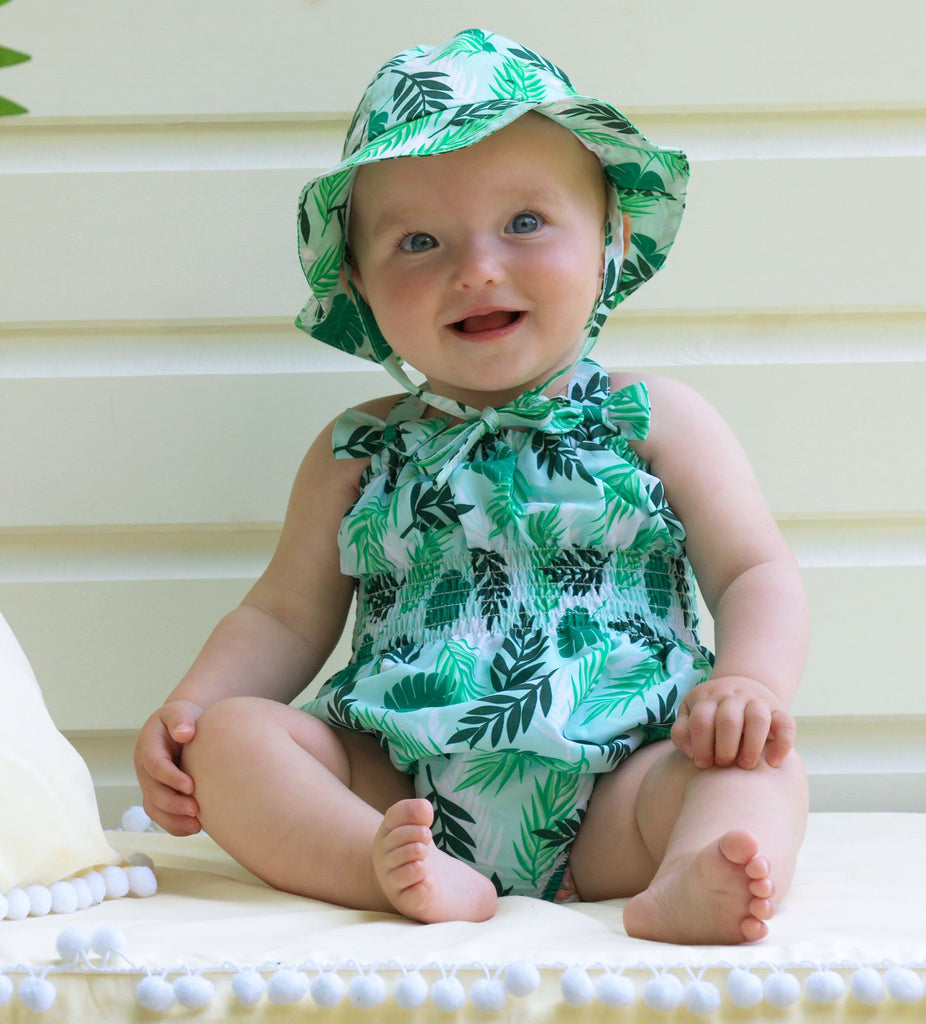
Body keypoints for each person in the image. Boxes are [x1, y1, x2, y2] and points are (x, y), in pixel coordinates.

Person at [134, 29, 809, 945]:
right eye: (419, 241)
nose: (477, 268)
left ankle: (690, 870)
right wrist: (192, 706)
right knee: (234, 740)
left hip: (624, 782)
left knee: (757, 767)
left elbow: (754, 571)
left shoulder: (652, 419)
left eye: (525, 222)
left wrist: (749, 683)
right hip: (398, 785)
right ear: (361, 286)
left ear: (609, 240)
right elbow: (282, 619)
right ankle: (377, 865)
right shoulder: (358, 449)